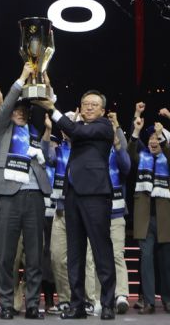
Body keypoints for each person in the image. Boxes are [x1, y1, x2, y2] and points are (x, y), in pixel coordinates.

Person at [35, 89, 116, 320]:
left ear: (103, 110)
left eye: (94, 104)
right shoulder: (78, 128)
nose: (89, 107)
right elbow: (70, 129)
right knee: (75, 253)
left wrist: (52, 108)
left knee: (101, 250)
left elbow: (75, 130)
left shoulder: (103, 127)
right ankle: (77, 304)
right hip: (72, 195)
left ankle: (107, 304)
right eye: (85, 103)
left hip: (96, 195)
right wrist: (49, 95)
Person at [0, 63, 53, 320]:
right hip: (8, 197)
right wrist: (22, 77)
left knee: (35, 256)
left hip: (35, 196)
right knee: (7, 255)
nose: (20, 113)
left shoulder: (35, 133)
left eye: (24, 110)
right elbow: (5, 109)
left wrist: (43, 81)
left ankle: (33, 304)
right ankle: (6, 303)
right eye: (16, 109)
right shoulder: (1, 130)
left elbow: (44, 104)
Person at [128, 105, 170, 314]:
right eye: (152, 138)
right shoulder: (142, 159)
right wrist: (136, 128)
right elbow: (130, 152)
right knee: (146, 260)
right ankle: (148, 301)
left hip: (166, 218)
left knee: (167, 262)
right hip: (145, 218)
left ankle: (169, 300)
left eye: (158, 138)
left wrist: (165, 131)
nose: (153, 140)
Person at [85, 112, 131, 314]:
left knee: (117, 254)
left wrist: (117, 142)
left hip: (116, 211)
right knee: (94, 256)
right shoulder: (90, 148)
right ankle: (96, 298)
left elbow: (127, 167)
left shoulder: (116, 148)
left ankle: (121, 295)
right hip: (94, 211)